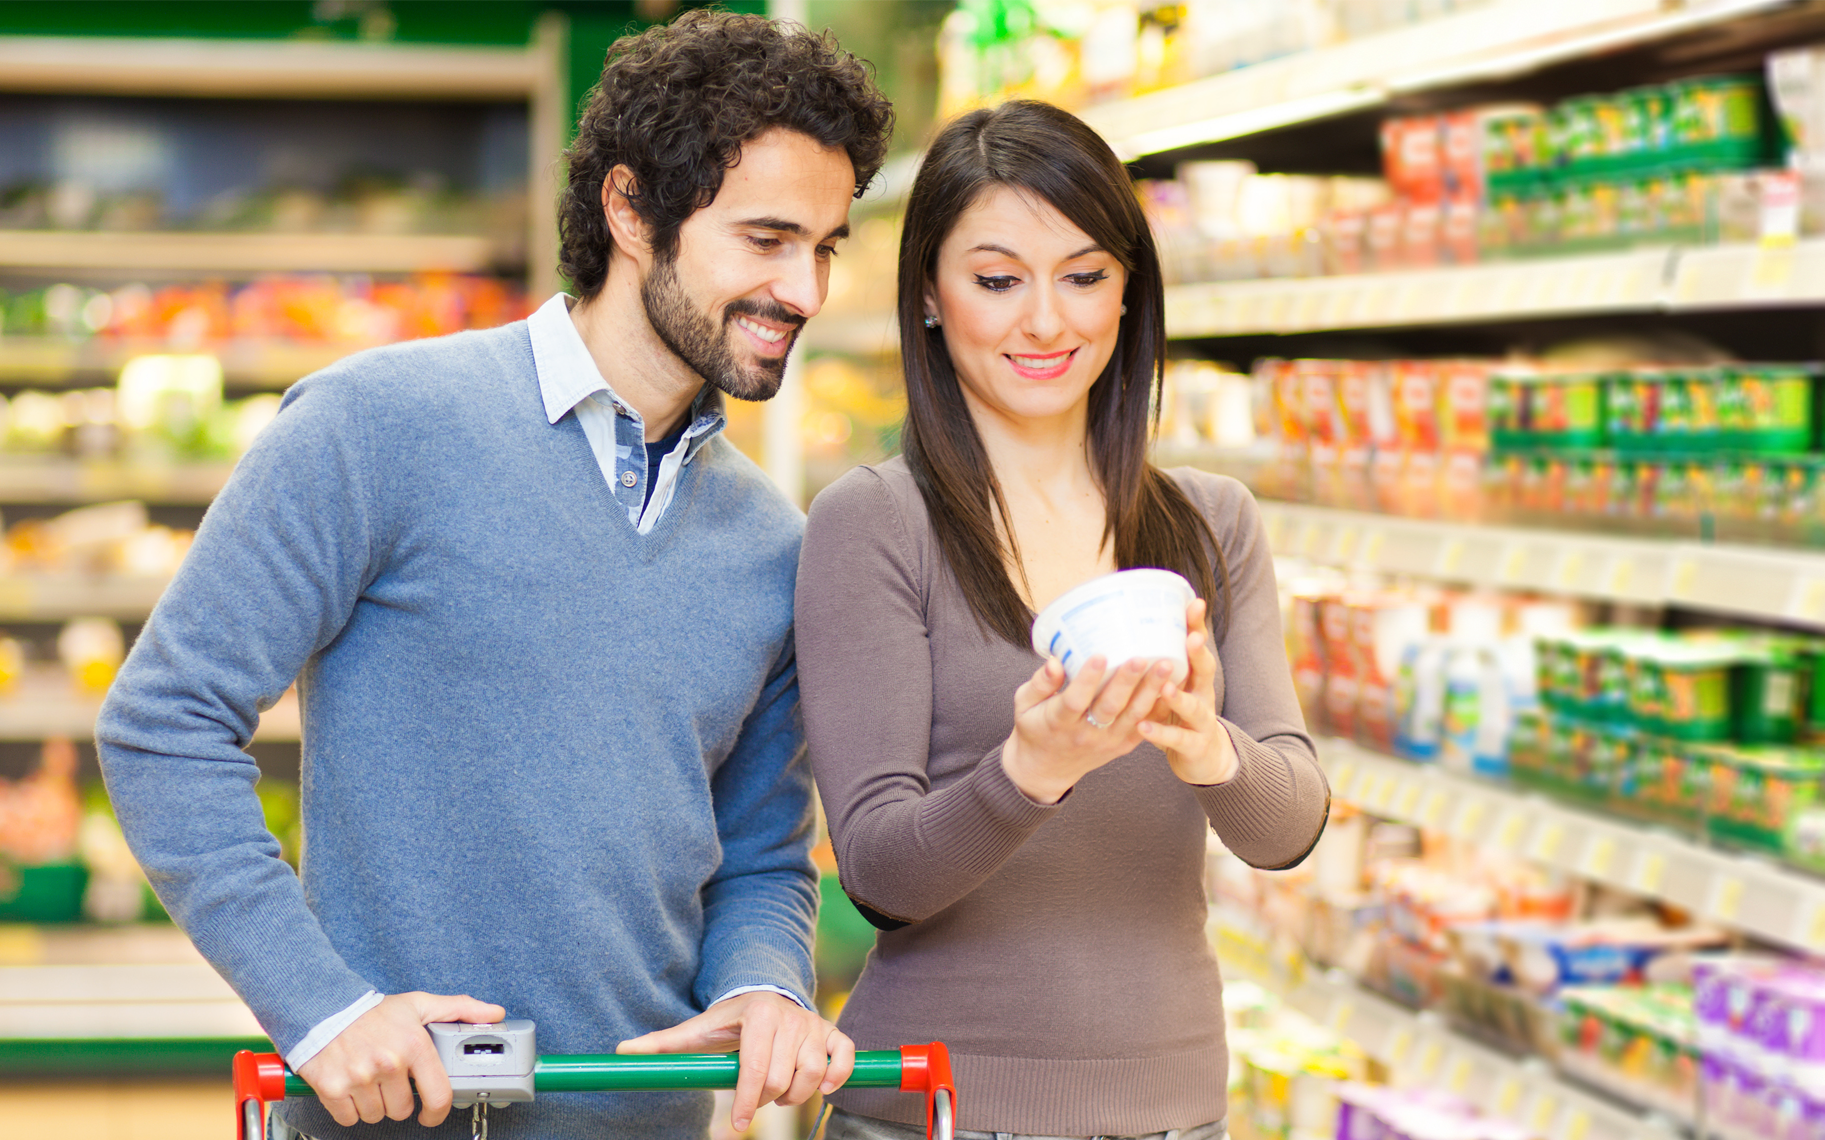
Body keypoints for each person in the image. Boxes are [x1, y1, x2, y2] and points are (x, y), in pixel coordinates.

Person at [96, 13, 892, 1139]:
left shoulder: (771, 545)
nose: (804, 289)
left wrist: (762, 985)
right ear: (629, 209)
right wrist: (322, 1010)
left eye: (824, 247)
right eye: (764, 239)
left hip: (642, 1124)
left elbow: (759, 856)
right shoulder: (375, 425)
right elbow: (162, 722)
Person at [794, 99, 1330, 1140]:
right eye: (997, 281)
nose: (1046, 321)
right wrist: (1026, 771)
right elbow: (878, 874)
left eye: (1082, 276)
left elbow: (1289, 827)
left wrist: (1207, 747)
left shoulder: (1210, 523)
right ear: (931, 299)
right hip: (934, 1111)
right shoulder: (873, 523)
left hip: (1175, 1112)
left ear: (1128, 292)